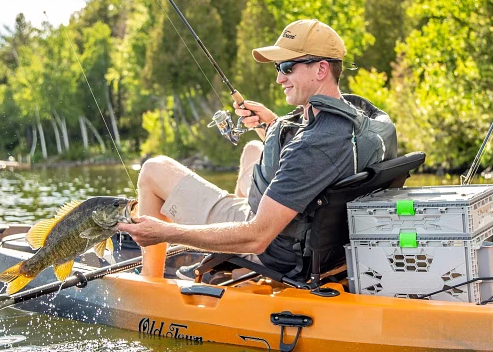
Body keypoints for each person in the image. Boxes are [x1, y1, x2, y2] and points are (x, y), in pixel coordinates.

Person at [117, 19, 397, 278]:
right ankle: (225, 263)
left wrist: (167, 232)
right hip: (320, 243)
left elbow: (257, 235)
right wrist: (273, 126)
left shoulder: (312, 148)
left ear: (321, 69)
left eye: (288, 67)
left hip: (276, 246)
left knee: (154, 170)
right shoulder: (359, 119)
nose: (279, 78)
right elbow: (316, 158)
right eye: (278, 68)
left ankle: (150, 281)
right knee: (253, 148)